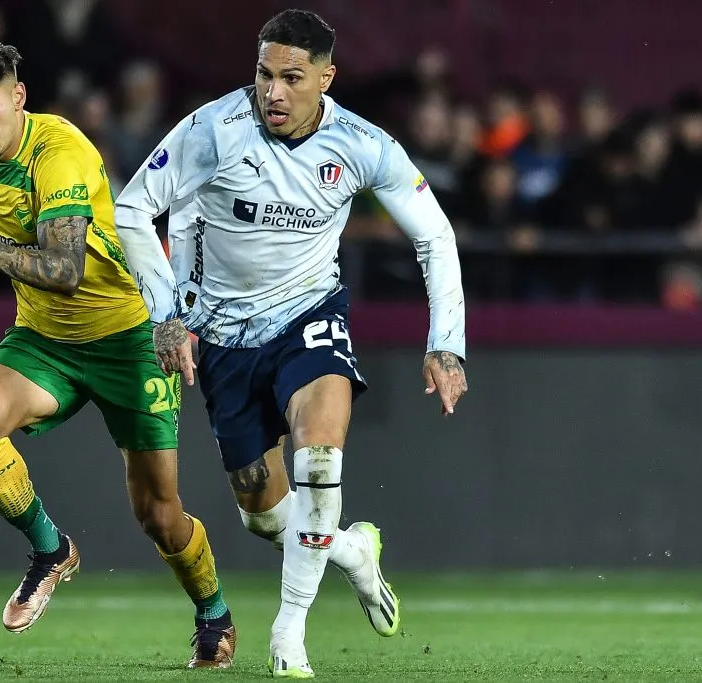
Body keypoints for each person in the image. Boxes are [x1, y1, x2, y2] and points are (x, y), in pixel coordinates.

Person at [112, 10, 468, 679]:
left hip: (309, 316)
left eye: (292, 78)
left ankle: (289, 635)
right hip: (222, 336)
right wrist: (166, 313)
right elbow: (132, 209)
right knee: (267, 515)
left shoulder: (363, 144)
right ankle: (352, 551)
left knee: (321, 458)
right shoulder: (213, 130)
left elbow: (435, 234)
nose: (273, 91)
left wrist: (446, 341)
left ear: (326, 79)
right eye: (264, 74)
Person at [0, 39, 237, 669]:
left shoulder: (62, 152)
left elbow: (62, 268)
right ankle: (52, 552)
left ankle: (213, 612)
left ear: (19, 97)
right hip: (44, 337)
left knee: (159, 515)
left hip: (126, 337)